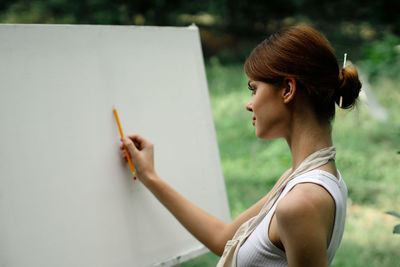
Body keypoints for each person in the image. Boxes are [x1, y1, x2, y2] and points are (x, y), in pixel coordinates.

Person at [120, 25, 362, 266]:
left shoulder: (301, 201)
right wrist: (149, 176)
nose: (249, 104)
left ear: (288, 89)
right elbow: (224, 239)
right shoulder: (302, 178)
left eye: (254, 89)